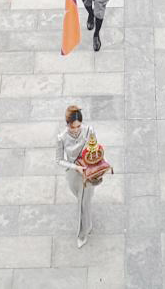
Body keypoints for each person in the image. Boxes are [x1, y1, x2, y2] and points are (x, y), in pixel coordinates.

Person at [55, 105, 100, 248]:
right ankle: (89, 223)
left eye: (78, 126)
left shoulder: (88, 131)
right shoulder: (61, 138)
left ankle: (82, 233)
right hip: (73, 174)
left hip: (88, 171)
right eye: (72, 127)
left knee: (83, 203)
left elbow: (95, 148)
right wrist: (76, 167)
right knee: (81, 200)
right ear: (67, 124)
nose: (75, 130)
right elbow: (59, 160)